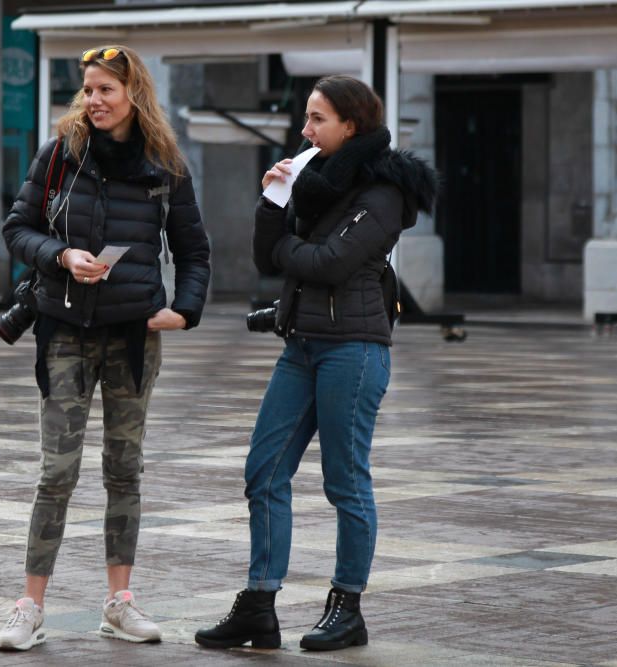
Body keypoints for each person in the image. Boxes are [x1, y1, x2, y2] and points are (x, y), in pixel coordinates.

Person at [194, 75, 436, 652]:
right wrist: (274, 200)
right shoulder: (317, 182)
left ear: (350, 125)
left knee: (345, 483)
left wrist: (285, 252)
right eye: (306, 118)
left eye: (317, 119)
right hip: (301, 345)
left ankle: (347, 607)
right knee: (264, 471)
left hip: (352, 349)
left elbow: (328, 263)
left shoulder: (383, 192)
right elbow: (266, 256)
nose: (304, 130)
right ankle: (258, 605)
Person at [0, 45, 210, 651]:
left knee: (124, 470)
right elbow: (17, 227)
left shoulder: (165, 164)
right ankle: (28, 607)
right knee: (56, 473)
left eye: (105, 90)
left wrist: (185, 310)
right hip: (63, 331)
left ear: (132, 94)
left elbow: (195, 251)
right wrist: (60, 255)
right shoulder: (60, 154)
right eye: (87, 89)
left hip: (133, 338)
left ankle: (120, 602)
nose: (93, 100)